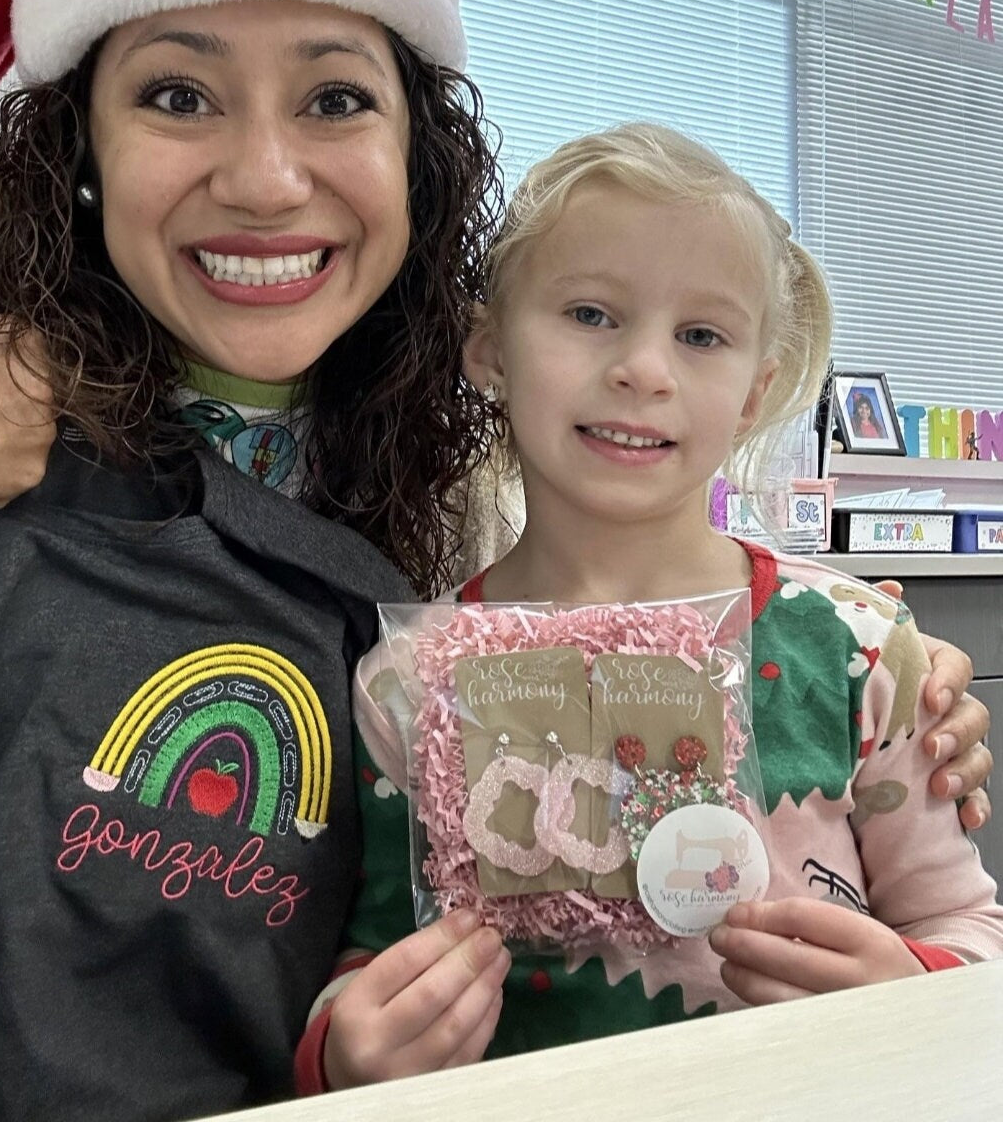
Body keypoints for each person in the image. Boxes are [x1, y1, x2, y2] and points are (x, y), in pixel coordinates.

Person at [0, 0, 512, 1122]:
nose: (263, 179)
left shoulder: (463, 487)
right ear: (80, 152)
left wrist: (875, 702)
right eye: (179, 94)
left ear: (414, 162)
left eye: (332, 99)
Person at [306, 124, 1003, 1091]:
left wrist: (909, 989)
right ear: (489, 349)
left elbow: (964, 925)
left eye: (702, 335)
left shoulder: (857, 649)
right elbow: (372, 952)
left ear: (756, 392)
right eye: (590, 312)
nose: (645, 368)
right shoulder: (412, 678)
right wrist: (349, 1047)